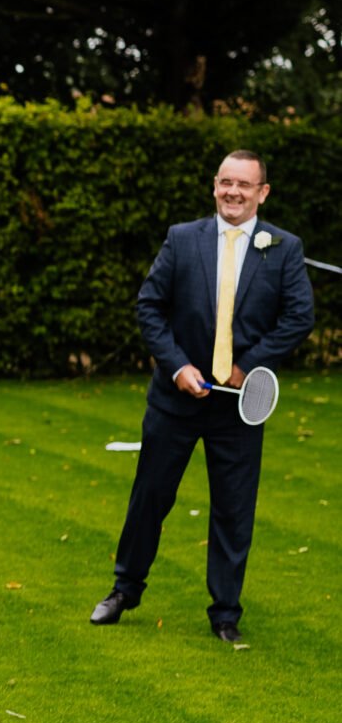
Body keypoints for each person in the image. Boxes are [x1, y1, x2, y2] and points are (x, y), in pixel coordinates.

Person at [90, 150, 314, 642]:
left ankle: (226, 614)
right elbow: (149, 306)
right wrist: (177, 367)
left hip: (237, 408)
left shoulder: (284, 247)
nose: (233, 192)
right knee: (150, 497)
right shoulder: (182, 239)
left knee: (234, 509)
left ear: (263, 192)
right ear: (214, 186)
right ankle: (125, 589)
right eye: (225, 182)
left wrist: (247, 367)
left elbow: (299, 317)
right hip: (176, 400)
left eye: (244, 184)